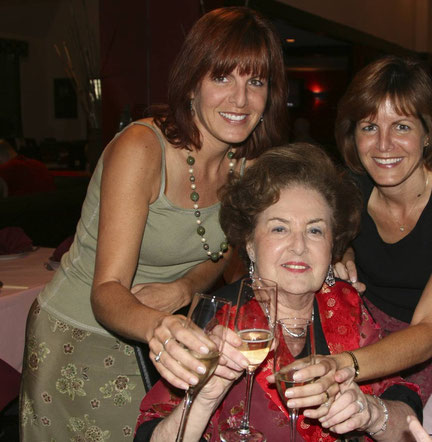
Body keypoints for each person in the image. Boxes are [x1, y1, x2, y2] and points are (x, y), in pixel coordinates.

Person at [19, 7, 287, 440]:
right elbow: (107, 292)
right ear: (192, 83)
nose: (240, 100)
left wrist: (183, 289)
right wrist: (159, 326)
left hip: (170, 341)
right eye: (222, 77)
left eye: (255, 82)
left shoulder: (246, 165)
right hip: (80, 337)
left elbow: (219, 254)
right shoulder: (142, 149)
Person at [135, 144, 423, 441]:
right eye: (279, 229)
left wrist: (371, 412)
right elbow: (150, 435)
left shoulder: (345, 303)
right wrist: (206, 396)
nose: (299, 246)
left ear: (332, 246)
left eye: (314, 230)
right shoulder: (218, 320)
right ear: (249, 244)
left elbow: (406, 415)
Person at [332, 55, 432, 404]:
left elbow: (429, 333)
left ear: (427, 134)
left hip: (425, 350)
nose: (384, 144)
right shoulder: (350, 188)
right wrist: (343, 251)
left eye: (401, 126)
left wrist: (338, 368)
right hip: (356, 328)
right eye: (369, 127)